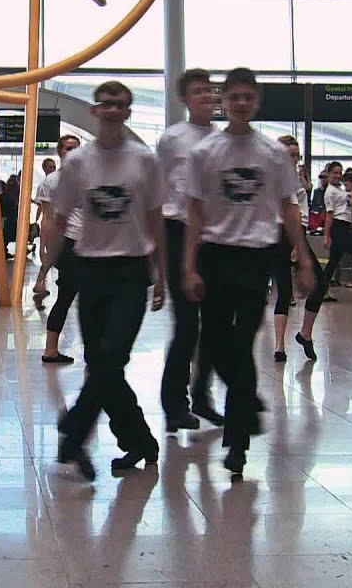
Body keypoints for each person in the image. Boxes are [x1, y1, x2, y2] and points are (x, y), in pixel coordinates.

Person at [181, 69, 314, 477]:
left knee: (241, 347)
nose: (239, 103)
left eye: (247, 97)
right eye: (233, 96)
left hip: (256, 257)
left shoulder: (272, 153)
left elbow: (289, 207)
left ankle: (236, 438)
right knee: (219, 345)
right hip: (216, 257)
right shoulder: (206, 153)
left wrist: (303, 257)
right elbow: (195, 212)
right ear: (225, 101)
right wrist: (187, 265)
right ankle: (245, 408)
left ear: (255, 102)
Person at [50, 80, 165, 482]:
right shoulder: (77, 163)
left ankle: (74, 431)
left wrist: (161, 274)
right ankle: (140, 441)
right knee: (102, 364)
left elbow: (155, 218)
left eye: (121, 104)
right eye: (106, 104)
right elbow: (60, 217)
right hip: (91, 270)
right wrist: (47, 268)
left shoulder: (144, 161)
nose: (113, 110)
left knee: (112, 356)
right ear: (96, 111)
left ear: (128, 112)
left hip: (131, 272)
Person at [156, 68, 216, 431]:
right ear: (185, 98)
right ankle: (174, 401)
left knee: (213, 324)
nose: (206, 98)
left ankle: (202, 394)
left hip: (212, 236)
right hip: (178, 231)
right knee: (186, 325)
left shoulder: (223, 141)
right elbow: (159, 194)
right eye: (198, 92)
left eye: (210, 92)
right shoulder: (171, 140)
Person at [270, 135, 328, 364]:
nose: (293, 159)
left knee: (315, 284)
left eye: (296, 155)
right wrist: (297, 245)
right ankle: (280, 343)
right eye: (289, 154)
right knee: (286, 289)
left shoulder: (291, 178)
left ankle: (301, 334)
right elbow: (290, 211)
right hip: (285, 234)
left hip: (293, 234)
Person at [32, 135, 82, 364]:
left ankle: (97, 350)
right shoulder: (51, 183)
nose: (73, 153)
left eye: (77, 148)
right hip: (68, 243)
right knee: (65, 297)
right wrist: (43, 248)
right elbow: (48, 220)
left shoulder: (91, 179)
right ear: (60, 152)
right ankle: (50, 349)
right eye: (69, 148)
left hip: (91, 244)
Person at [321, 163, 352, 304]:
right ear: (328, 173)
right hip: (338, 226)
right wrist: (326, 236)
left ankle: (322, 290)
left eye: (340, 173)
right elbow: (329, 215)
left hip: (346, 225)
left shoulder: (339, 189)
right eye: (335, 173)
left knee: (333, 261)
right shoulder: (330, 192)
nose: (338, 176)